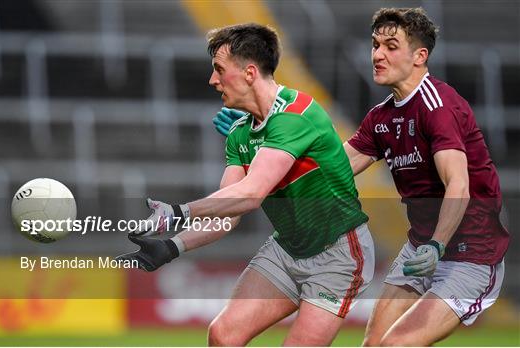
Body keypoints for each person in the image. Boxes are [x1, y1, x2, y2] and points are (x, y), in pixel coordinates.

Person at [213, 8, 510, 346]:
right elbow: (326, 170)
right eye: (374, 44)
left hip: (470, 254)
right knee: (372, 345)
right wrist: (258, 141)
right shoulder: (380, 117)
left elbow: (459, 184)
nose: (377, 54)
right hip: (419, 247)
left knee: (394, 345)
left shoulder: (437, 107)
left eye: (391, 46)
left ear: (419, 56)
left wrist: (437, 245)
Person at [118, 23, 375, 346]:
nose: (213, 81)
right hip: (287, 250)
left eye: (219, 70)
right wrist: (172, 247)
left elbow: (251, 195)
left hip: (338, 255)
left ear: (250, 73)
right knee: (223, 335)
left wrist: (178, 212)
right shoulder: (240, 134)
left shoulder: (296, 115)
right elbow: (229, 211)